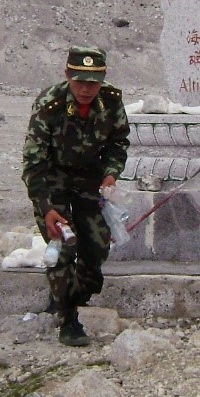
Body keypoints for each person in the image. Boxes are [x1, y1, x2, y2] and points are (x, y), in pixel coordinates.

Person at [22, 46, 130, 346]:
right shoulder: (49, 104)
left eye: (92, 82)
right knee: (62, 247)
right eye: (79, 80)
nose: (85, 88)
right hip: (52, 178)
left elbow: (118, 142)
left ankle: (70, 292)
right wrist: (45, 208)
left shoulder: (110, 102)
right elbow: (33, 162)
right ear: (67, 74)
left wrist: (111, 172)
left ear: (103, 78)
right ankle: (68, 319)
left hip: (89, 179)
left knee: (95, 248)